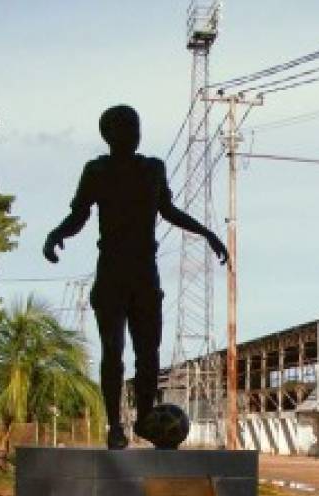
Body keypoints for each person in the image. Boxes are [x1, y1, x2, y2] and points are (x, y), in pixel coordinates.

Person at [43, 105, 228, 449]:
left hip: (145, 272)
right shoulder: (96, 170)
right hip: (112, 270)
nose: (134, 131)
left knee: (149, 353)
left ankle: (144, 419)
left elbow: (169, 211)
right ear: (109, 134)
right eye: (126, 126)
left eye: (136, 125)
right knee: (113, 350)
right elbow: (79, 215)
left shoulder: (153, 168)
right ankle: (115, 425)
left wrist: (207, 234)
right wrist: (56, 234)